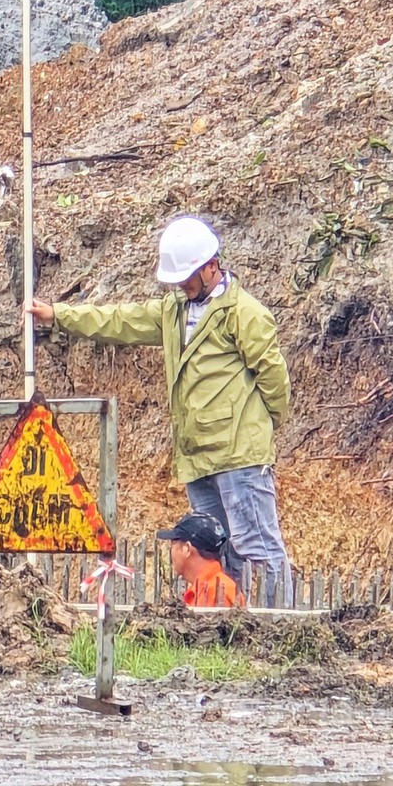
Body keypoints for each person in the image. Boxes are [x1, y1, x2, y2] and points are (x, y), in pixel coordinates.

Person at [28, 216, 294, 604]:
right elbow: (118, 320)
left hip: (240, 456)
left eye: (187, 277)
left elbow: (274, 380)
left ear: (211, 266)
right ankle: (237, 628)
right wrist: (59, 315)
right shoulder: (173, 311)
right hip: (197, 457)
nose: (181, 285)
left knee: (256, 546)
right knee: (219, 551)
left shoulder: (244, 314)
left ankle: (280, 630)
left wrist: (260, 429)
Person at [156, 512, 245, 608]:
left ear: (187, 548)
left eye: (173, 543)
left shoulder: (220, 591)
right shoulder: (202, 589)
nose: (170, 550)